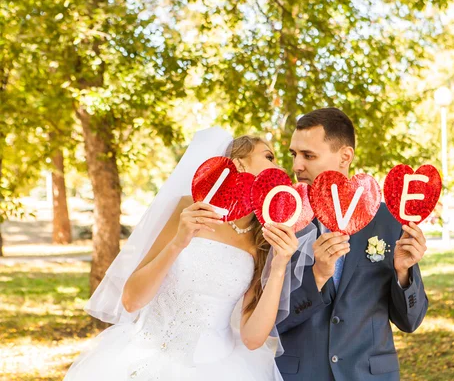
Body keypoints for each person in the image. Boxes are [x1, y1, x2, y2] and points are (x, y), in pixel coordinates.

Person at [64, 129, 304, 381]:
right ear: (238, 162)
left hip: (220, 369)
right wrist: (178, 242)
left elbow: (253, 339)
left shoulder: (263, 238)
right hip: (144, 358)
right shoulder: (187, 209)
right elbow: (131, 301)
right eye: (269, 156)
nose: (279, 167)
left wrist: (279, 265)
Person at [276, 108, 429, 380]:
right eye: (294, 154)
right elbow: (271, 321)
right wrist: (317, 277)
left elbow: (410, 321)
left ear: (345, 156)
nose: (297, 166)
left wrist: (404, 274)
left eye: (308, 155)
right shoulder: (282, 220)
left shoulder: (388, 219)